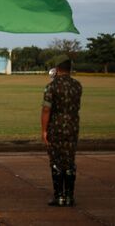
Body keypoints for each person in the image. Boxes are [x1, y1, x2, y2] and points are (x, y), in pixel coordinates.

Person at [41, 55, 82, 207]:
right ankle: (70, 197)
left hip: (56, 127)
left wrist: (44, 130)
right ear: (70, 68)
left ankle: (59, 197)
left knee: (56, 161)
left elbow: (46, 109)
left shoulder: (52, 86)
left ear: (57, 68)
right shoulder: (77, 85)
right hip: (72, 126)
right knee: (69, 161)